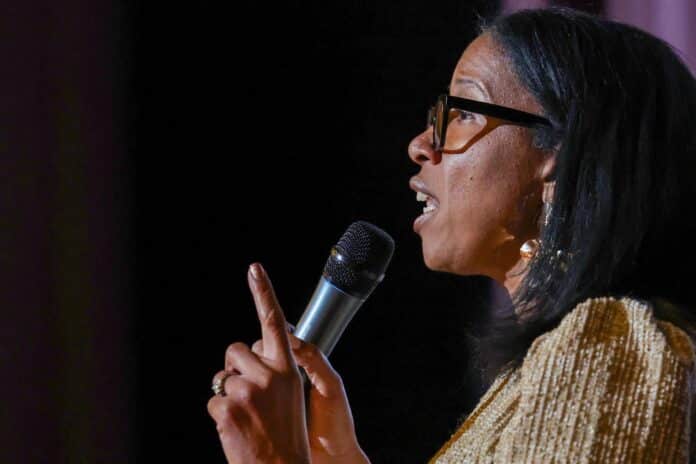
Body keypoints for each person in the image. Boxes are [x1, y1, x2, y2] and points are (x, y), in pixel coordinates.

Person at [206, 7, 696, 463]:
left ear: (559, 153)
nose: (420, 145)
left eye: (463, 113)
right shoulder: (544, 368)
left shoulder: (608, 347)